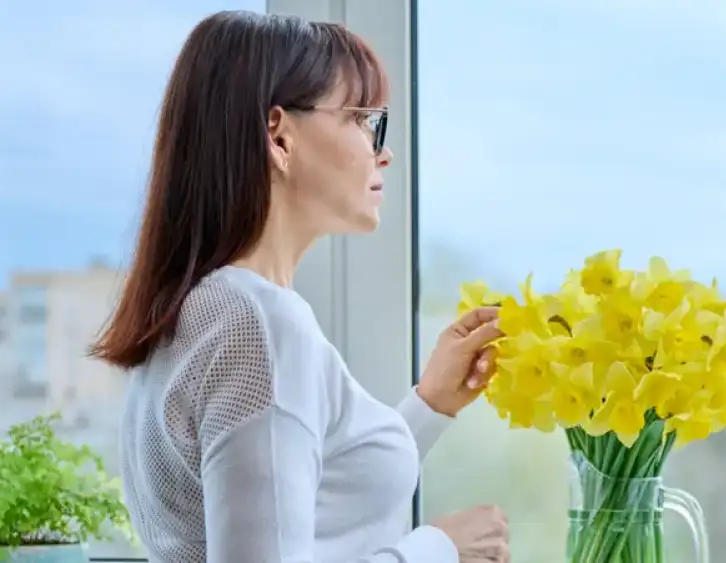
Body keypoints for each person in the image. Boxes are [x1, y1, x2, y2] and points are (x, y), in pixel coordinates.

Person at [91, 10, 509, 563]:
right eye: (362, 119)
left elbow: (313, 496)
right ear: (279, 136)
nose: (382, 151)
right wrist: (439, 550)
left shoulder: (207, 312)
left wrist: (430, 403)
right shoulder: (258, 325)